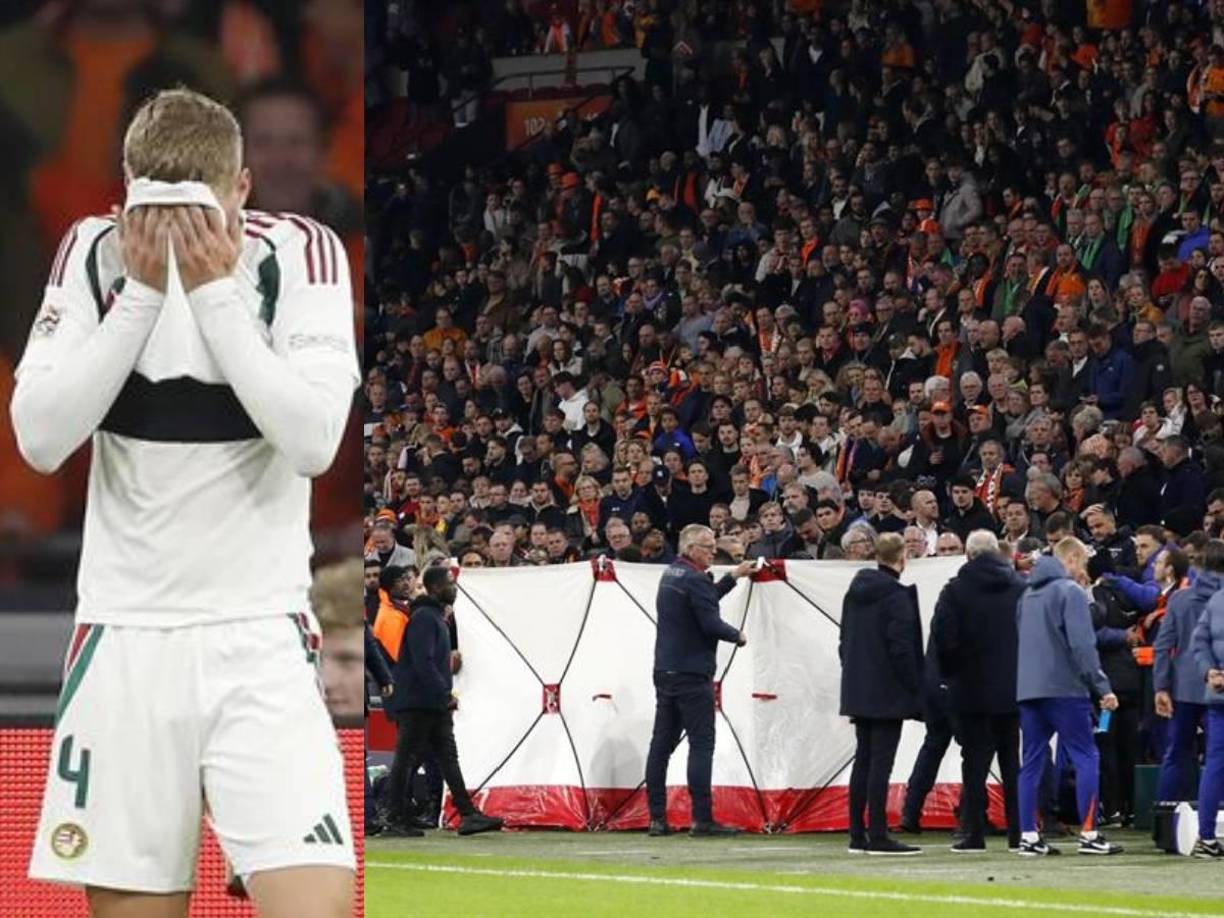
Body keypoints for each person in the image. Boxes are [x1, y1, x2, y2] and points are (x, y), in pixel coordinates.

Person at [14, 88, 358, 916]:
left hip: (259, 636)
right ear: (123, 190)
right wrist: (138, 298)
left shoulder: (299, 251)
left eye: (196, 216)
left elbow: (313, 441)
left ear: (241, 189)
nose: (174, 238)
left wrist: (212, 296)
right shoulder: (91, 252)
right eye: (152, 213)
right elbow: (40, 438)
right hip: (125, 638)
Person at [1014, 538, 1122, 856]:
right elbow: (1082, 646)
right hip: (1065, 688)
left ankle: (1028, 835)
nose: (1084, 570)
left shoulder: (1027, 595)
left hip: (1029, 689)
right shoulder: (1070, 592)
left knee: (1031, 761)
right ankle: (1089, 833)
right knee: (1086, 755)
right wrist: (1102, 687)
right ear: (1072, 558)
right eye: (1083, 562)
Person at [645, 524, 753, 837]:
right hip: (693, 673)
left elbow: (704, 599)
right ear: (691, 548)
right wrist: (738, 635)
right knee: (701, 744)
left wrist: (734, 576)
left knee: (661, 745)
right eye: (708, 547)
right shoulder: (695, 579)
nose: (713, 551)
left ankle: (657, 818)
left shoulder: (672, 574)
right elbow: (709, 622)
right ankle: (702, 819)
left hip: (665, 670)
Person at [382, 566, 503, 837]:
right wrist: (443, 692)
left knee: (443, 757)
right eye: (450, 583)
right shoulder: (426, 618)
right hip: (419, 702)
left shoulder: (431, 616)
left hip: (429, 702)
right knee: (409, 758)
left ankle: (467, 814)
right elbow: (423, 662)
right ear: (436, 588)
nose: (454, 588)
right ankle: (393, 816)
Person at [931, 530, 1025, 852]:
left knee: (974, 763)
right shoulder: (1018, 587)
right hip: (1011, 687)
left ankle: (972, 831)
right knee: (1011, 762)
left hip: (970, 689)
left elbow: (943, 637)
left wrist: (952, 674)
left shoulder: (955, 590)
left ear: (968, 555)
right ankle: (1019, 832)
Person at [839, 532, 923, 855]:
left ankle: (857, 834)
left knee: (863, 760)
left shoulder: (854, 593)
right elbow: (902, 648)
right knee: (880, 764)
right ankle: (877, 833)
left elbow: (844, 642)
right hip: (888, 690)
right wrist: (914, 686)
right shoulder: (896, 596)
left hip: (859, 687)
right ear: (903, 557)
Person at [1155, 539, 1224, 802]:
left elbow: (1163, 646)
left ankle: (1166, 816)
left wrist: (1161, 687)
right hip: (1218, 687)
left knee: (1176, 753)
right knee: (1218, 757)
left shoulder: (1179, 599)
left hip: (1183, 688)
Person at [1191, 574, 1224, 858]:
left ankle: (1206, 837)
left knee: (1215, 765)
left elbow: (1198, 643)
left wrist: (1210, 672)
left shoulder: (1217, 600)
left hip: (1217, 694)